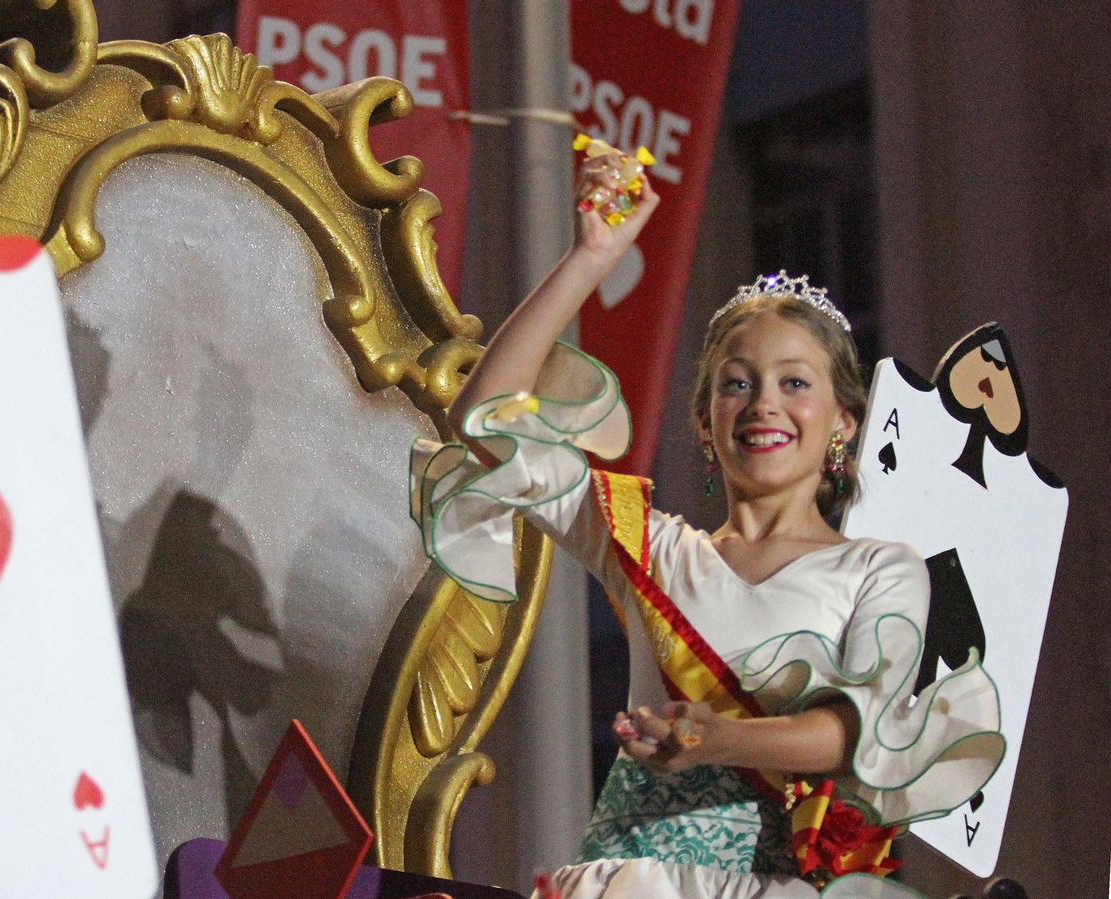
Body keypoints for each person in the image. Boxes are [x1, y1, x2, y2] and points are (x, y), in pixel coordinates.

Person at [409, 169, 1003, 898]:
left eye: (794, 382)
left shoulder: (880, 570)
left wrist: (715, 739)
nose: (762, 404)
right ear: (705, 419)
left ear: (844, 421)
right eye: (736, 382)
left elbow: (854, 734)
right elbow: (483, 428)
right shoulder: (652, 546)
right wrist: (590, 258)